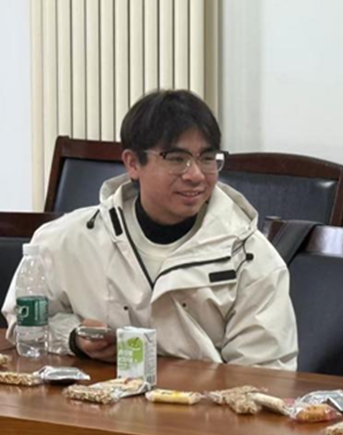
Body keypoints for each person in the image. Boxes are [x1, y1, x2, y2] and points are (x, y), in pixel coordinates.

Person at [2, 89, 298, 370]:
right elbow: (23, 324)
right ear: (133, 163)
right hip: (96, 401)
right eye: (177, 159)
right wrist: (73, 338)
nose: (196, 175)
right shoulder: (65, 240)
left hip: (204, 405)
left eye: (207, 159)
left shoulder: (251, 257)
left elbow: (266, 377)